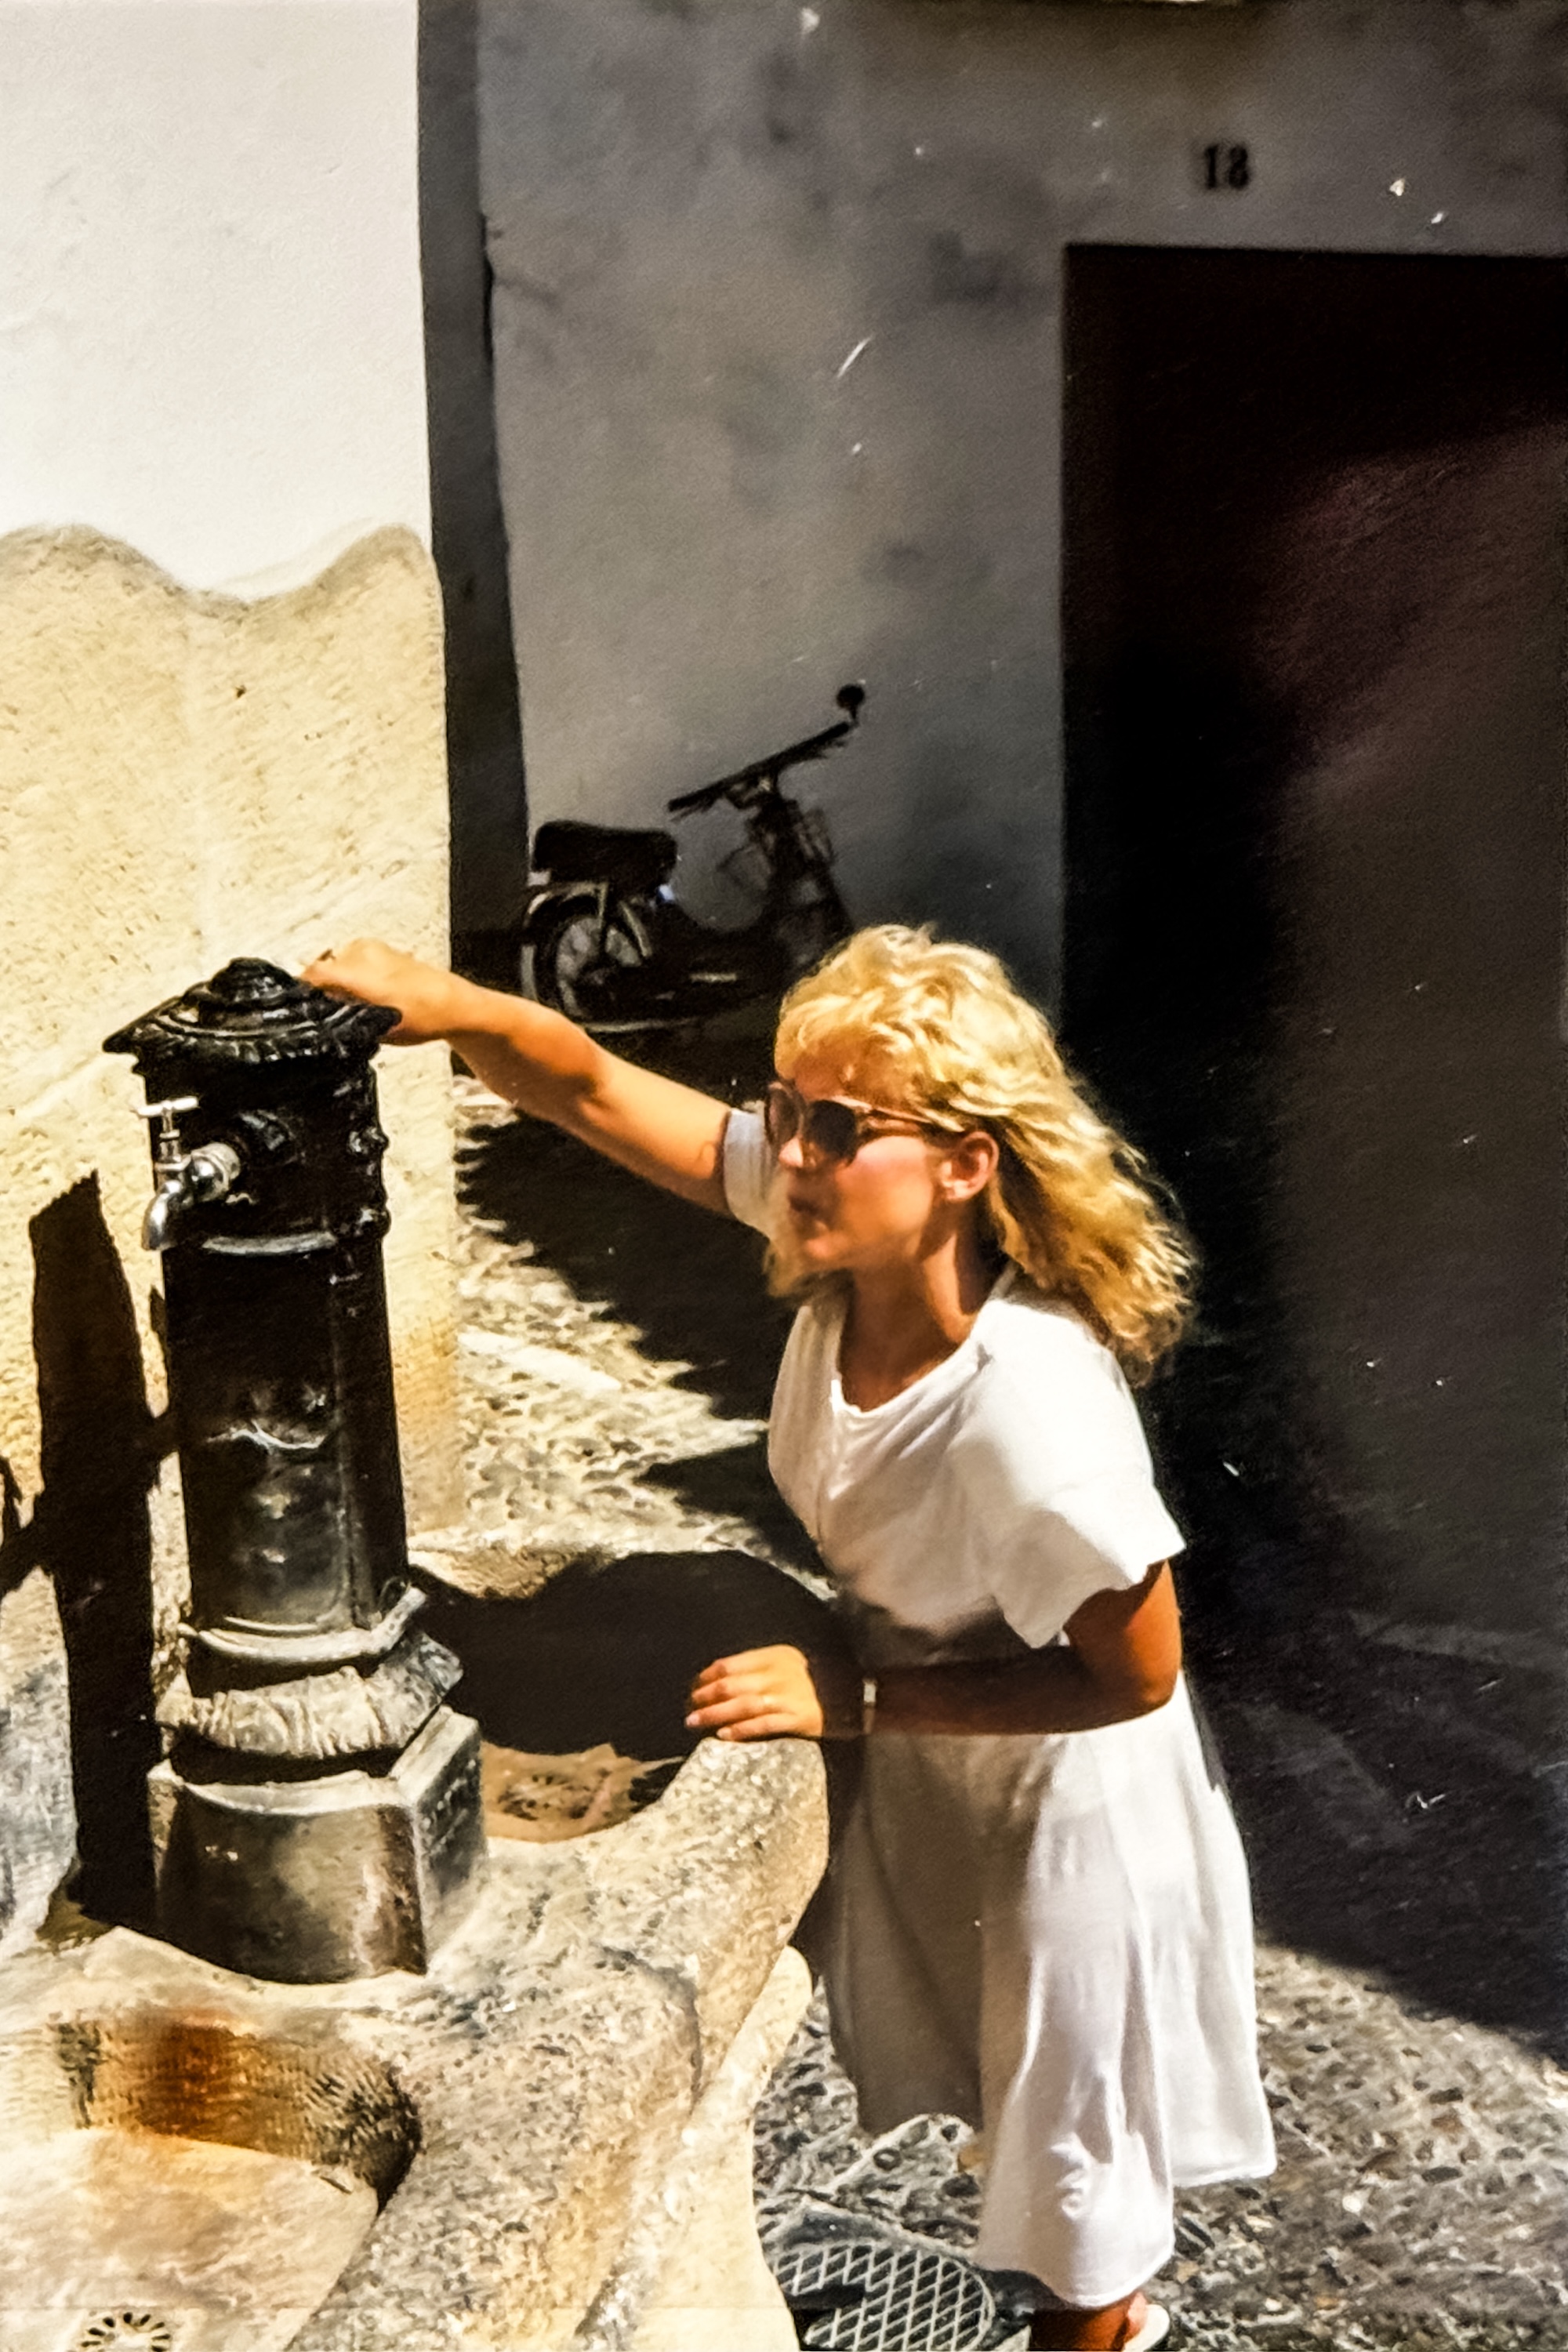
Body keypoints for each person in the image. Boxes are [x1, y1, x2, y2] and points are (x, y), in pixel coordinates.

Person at [303, 926, 1274, 2352]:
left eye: (838, 1128)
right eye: (784, 1110)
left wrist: (860, 1700)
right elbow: (589, 1086)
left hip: (1065, 1810)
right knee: (1008, 2116)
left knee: (1077, 2187)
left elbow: (1135, 1677)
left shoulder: (1030, 1413)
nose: (792, 1154)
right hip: (944, 1754)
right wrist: (451, 1007)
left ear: (965, 1164)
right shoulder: (846, 1232)